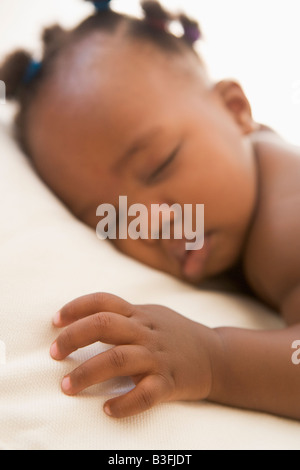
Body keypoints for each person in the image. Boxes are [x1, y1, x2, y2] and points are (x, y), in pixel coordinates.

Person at [1, 0, 300, 420]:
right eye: (113, 218)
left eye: (159, 166)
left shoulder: (289, 217)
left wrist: (215, 359)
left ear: (235, 111)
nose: (150, 222)